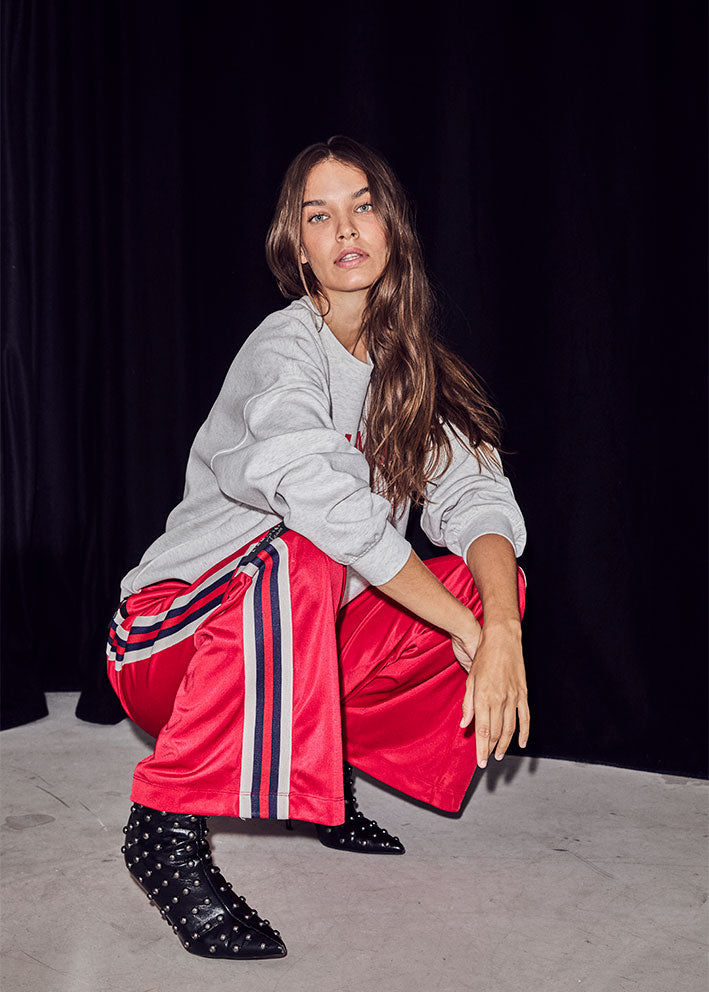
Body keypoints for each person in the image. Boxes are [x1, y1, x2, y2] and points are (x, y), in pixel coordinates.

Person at [106, 135, 529, 961]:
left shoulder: (413, 368)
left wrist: (499, 629)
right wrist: (470, 633)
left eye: (362, 206)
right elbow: (323, 506)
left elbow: (477, 499)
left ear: (391, 226)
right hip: (168, 643)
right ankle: (163, 827)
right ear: (295, 247)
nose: (345, 229)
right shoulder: (283, 347)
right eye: (318, 215)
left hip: (292, 639)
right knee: (312, 550)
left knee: (488, 584)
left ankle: (323, 774)